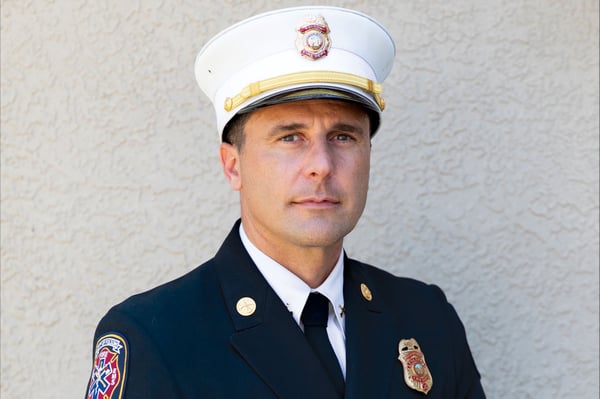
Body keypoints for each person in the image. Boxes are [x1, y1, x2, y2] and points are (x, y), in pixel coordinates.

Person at [85, 6, 485, 399]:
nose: (322, 166)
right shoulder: (154, 337)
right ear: (233, 165)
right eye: (290, 137)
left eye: (344, 136)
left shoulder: (427, 318)